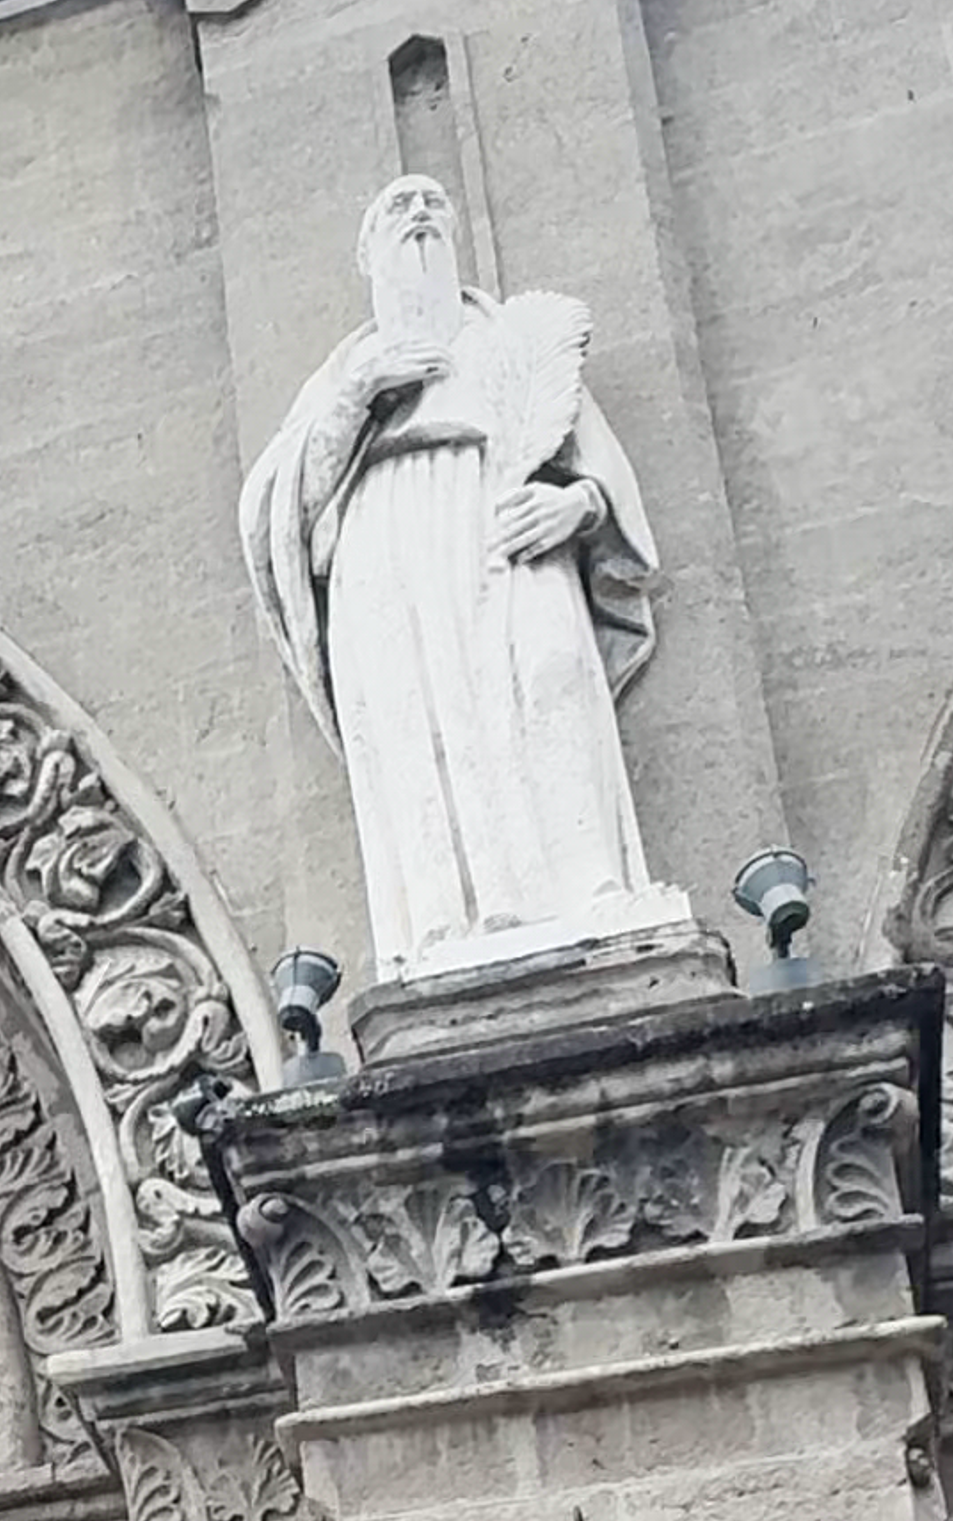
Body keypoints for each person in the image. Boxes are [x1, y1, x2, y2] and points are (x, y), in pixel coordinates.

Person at [238, 178, 677, 977]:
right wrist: (358, 398)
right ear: (365, 254)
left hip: (505, 528)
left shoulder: (513, 337)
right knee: (418, 720)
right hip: (386, 546)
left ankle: (592, 886)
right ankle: (444, 921)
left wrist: (576, 507)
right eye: (398, 208)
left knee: (549, 676)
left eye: (434, 205)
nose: (418, 215)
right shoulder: (347, 368)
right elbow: (276, 505)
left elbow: (598, 469)